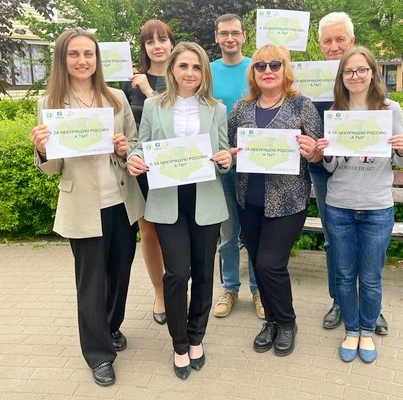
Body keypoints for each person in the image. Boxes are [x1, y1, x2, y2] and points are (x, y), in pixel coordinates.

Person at [29, 28, 144, 386]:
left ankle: (111, 326)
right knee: (91, 282)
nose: (82, 61)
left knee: (120, 274)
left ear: (97, 59)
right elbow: (53, 167)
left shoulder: (116, 98)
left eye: (88, 54)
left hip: (121, 202)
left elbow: (134, 145)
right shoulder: (50, 103)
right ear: (62, 59)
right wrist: (42, 149)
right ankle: (98, 354)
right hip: (82, 205)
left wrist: (125, 149)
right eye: (74, 54)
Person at [127, 42, 231, 380]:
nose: (190, 73)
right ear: (172, 68)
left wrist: (226, 159)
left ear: (204, 73)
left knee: (203, 272)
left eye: (196, 67)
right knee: (175, 274)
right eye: (184, 66)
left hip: (205, 199)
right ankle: (179, 342)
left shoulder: (216, 109)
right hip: (167, 199)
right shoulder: (154, 105)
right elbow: (141, 145)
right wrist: (133, 158)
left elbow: (224, 151)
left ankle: (196, 337)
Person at [314, 46, 403, 363]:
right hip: (339, 205)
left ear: (372, 73)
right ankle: (351, 330)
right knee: (344, 275)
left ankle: (367, 331)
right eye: (348, 71)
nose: (355, 76)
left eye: (361, 70)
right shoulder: (336, 112)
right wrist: (326, 152)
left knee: (370, 277)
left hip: (377, 206)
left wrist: (402, 147)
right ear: (341, 76)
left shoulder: (390, 110)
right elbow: (331, 168)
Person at [228, 44, 322, 357]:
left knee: (270, 264)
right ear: (253, 72)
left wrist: (313, 152)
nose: (267, 71)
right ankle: (270, 321)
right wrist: (232, 155)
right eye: (260, 65)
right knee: (257, 262)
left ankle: (287, 321)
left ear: (285, 69)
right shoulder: (241, 108)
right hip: (249, 201)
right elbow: (230, 145)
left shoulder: (302, 105)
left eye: (275, 65)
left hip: (288, 202)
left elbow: (317, 153)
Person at [314, 12, 388, 334]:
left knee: (369, 253)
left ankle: (371, 309)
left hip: (366, 176)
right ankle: (340, 302)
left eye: (339, 39)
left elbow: (386, 129)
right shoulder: (308, 76)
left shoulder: (364, 75)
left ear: (352, 41)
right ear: (319, 45)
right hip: (324, 167)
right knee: (334, 242)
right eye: (327, 41)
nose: (334, 46)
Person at [122, 19, 175, 326]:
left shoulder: (185, 77)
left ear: (171, 43)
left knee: (177, 232)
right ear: (143, 48)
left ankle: (178, 289)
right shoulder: (131, 82)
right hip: (143, 170)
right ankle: (160, 293)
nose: (157, 46)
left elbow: (174, 121)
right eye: (150, 41)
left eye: (162, 39)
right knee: (150, 233)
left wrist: (148, 90)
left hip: (176, 168)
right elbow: (125, 125)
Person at [210, 13, 263, 320]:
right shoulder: (208, 71)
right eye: (223, 33)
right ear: (216, 37)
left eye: (235, 33)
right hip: (223, 164)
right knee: (228, 235)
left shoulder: (258, 67)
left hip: (255, 164)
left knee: (254, 234)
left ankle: (258, 290)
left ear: (244, 36)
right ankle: (230, 288)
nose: (229, 38)